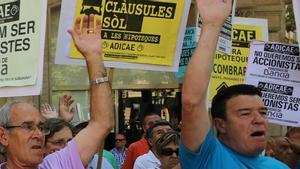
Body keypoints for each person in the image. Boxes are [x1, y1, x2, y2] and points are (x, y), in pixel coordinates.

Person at [179, 0, 289, 168]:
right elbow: (192, 103)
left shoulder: (278, 167)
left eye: (263, 112)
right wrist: (212, 24)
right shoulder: (208, 158)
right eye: (245, 114)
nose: (258, 120)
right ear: (220, 124)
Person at [0, 14, 114, 169]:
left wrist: (94, 57)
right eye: (27, 126)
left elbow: (102, 124)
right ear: (3, 136)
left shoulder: (58, 164)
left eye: (41, 127)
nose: (39, 135)